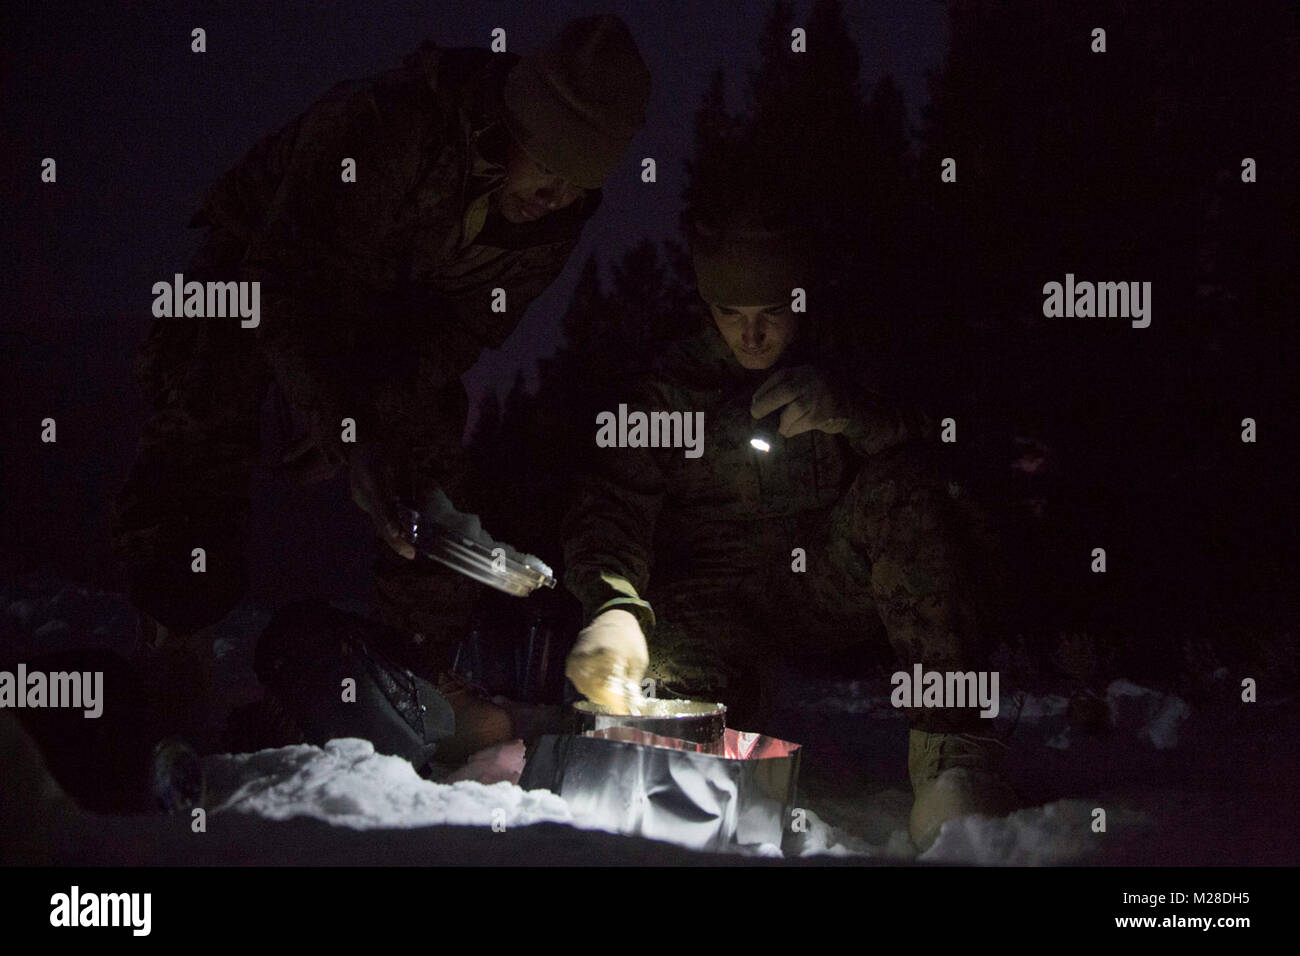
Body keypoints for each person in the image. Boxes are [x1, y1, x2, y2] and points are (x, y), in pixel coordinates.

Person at [111, 14, 651, 761]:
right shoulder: (391, 125)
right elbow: (289, 283)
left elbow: (457, 331)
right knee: (202, 421)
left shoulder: (555, 215)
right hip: (253, 276)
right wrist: (339, 425)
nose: (557, 196)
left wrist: (380, 425)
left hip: (383, 321)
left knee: (428, 472)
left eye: (579, 182)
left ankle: (407, 683)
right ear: (512, 125)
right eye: (549, 167)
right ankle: (173, 666)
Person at [561, 211, 1016, 850]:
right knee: (678, 725)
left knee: (908, 486)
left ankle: (955, 751)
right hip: (712, 605)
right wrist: (613, 605)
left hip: (822, 582)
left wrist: (857, 416)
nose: (752, 336)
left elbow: (957, 447)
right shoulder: (667, 393)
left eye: (773, 312)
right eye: (730, 313)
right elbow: (611, 505)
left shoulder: (848, 357)